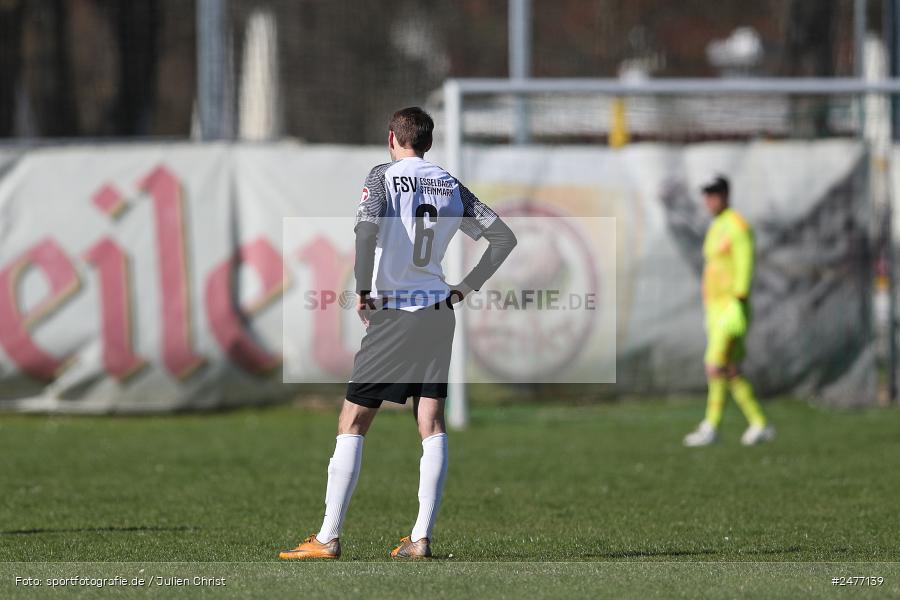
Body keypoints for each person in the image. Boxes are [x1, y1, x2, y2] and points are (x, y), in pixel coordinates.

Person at [279, 107, 516, 559]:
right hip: (437, 311)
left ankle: (327, 538)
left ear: (392, 138)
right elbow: (502, 237)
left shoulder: (383, 176)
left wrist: (364, 290)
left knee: (353, 421)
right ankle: (421, 537)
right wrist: (466, 287)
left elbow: (366, 233)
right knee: (430, 423)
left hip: (395, 312)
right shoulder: (448, 184)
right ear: (427, 141)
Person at [683, 176, 775, 447]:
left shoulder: (737, 226)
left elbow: (745, 263)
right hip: (715, 308)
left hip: (731, 308)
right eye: (706, 195)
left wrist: (739, 299)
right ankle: (760, 423)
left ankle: (711, 426)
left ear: (725, 194)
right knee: (731, 369)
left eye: (713, 194)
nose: (709, 200)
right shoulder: (715, 226)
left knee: (714, 364)